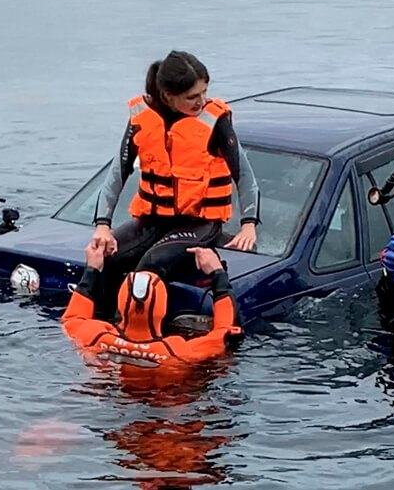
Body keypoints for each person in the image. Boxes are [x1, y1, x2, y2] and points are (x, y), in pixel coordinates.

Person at [90, 51, 260, 317]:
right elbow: (117, 174)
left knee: (149, 266)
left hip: (199, 223)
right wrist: (103, 226)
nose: (201, 101)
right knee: (106, 258)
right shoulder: (141, 117)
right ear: (169, 96)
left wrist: (248, 224)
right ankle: (100, 324)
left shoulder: (216, 121)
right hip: (154, 220)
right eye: (192, 97)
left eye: (204, 92)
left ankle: (139, 335)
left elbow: (245, 176)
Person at [61, 241, 241, 368]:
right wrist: (217, 273)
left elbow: (73, 316)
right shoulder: (178, 351)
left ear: (121, 305)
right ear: (163, 310)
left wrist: (92, 268)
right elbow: (226, 331)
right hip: (163, 412)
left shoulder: (93, 336)